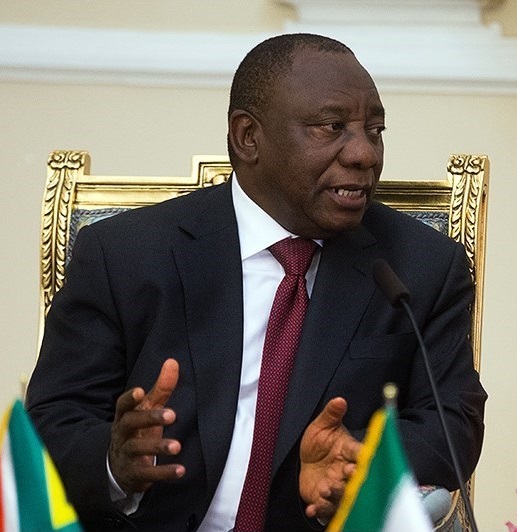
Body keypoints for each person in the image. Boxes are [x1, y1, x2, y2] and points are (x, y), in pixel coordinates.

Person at [26, 33, 486, 532]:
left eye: (374, 130)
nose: (363, 154)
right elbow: (55, 419)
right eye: (332, 127)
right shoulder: (126, 256)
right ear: (248, 137)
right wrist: (115, 464)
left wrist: (360, 463)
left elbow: (451, 419)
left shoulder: (420, 266)